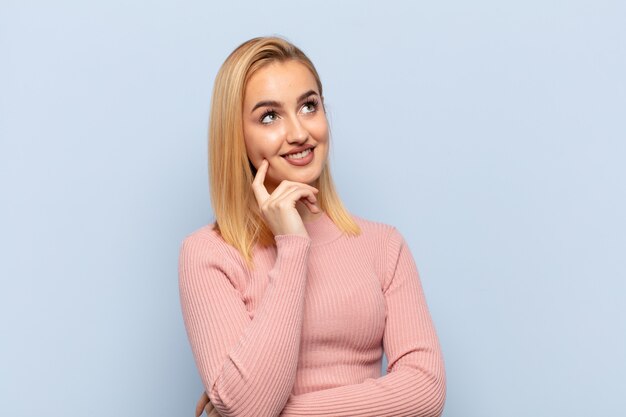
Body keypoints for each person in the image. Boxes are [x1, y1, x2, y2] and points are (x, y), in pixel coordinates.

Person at [178, 36, 446, 417]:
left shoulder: (383, 246)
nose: (299, 133)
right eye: (269, 116)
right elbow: (250, 409)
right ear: (236, 135)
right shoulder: (209, 253)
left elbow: (426, 390)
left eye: (308, 106)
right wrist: (292, 246)